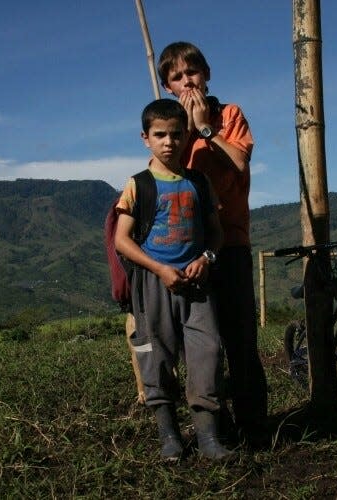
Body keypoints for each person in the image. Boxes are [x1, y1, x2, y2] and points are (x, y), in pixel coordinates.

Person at [157, 41, 268, 444]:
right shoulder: (171, 127)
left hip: (232, 241)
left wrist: (205, 128)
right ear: (168, 87)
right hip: (191, 247)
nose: (188, 82)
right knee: (203, 344)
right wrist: (184, 130)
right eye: (177, 77)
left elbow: (239, 162)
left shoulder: (229, 115)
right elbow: (166, 171)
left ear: (207, 74)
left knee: (241, 339)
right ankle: (215, 430)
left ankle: (255, 425)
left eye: (193, 73)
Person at [115, 98, 232, 462]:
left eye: (176, 135)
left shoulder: (199, 182)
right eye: (160, 135)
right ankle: (170, 438)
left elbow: (216, 232)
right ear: (145, 138)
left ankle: (208, 439)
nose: (169, 142)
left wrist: (207, 258)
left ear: (186, 136)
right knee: (157, 359)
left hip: (197, 285)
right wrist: (159, 269)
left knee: (207, 353)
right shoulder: (139, 185)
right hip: (154, 285)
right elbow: (122, 239)